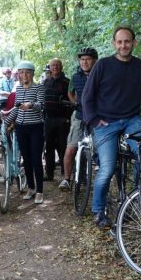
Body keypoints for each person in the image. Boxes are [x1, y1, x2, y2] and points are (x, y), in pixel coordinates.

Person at [82, 26, 141, 229]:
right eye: (119, 42)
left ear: (134, 43)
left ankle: (140, 194)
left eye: (127, 41)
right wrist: (93, 119)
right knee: (107, 168)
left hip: (131, 119)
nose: (123, 45)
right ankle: (99, 210)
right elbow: (87, 96)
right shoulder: (102, 65)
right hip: (105, 123)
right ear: (114, 44)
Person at [5, 60, 45, 203]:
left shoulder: (39, 88)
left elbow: (41, 106)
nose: (24, 75)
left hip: (36, 127)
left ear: (32, 73)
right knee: (26, 160)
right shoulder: (19, 89)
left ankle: (40, 190)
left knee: (36, 159)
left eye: (27, 72)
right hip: (21, 128)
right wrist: (6, 121)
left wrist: (31, 105)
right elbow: (16, 109)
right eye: (21, 72)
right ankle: (31, 188)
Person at [59, 47, 98, 191]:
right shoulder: (76, 77)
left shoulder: (100, 75)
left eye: (88, 59)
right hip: (79, 115)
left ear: (94, 61)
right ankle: (67, 179)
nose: (84, 62)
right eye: (82, 59)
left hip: (96, 116)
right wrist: (74, 101)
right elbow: (70, 91)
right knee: (71, 148)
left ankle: (99, 175)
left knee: (99, 148)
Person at [42, 58, 72, 182]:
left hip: (62, 119)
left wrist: (67, 118)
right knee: (48, 147)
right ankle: (49, 173)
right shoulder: (46, 82)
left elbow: (71, 101)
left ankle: (65, 174)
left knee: (62, 147)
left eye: (57, 65)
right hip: (48, 119)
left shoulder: (67, 82)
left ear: (61, 67)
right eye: (52, 65)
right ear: (50, 67)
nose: (55, 67)